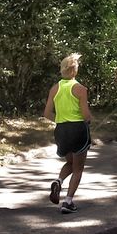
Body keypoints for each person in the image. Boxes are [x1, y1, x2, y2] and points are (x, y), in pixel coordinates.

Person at [43, 52, 91, 214]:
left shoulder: (54, 89)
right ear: (74, 71)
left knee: (70, 162)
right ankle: (68, 202)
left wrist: (61, 120)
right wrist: (89, 120)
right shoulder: (80, 89)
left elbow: (47, 114)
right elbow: (85, 115)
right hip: (78, 129)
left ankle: (59, 181)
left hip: (61, 130)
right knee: (78, 168)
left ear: (62, 70)